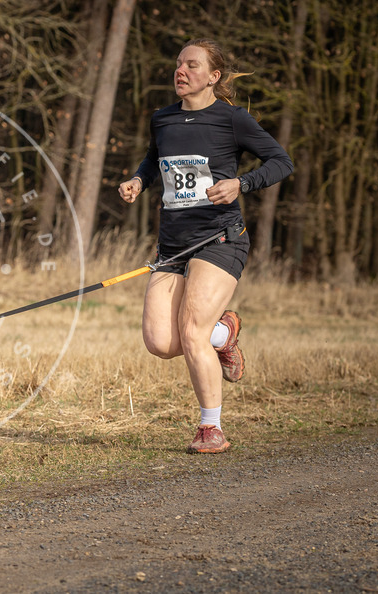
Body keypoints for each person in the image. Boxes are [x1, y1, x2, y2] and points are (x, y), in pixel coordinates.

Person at [118, 38, 293, 454]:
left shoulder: (232, 120)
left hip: (220, 238)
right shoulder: (162, 118)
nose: (180, 71)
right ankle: (224, 333)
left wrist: (241, 183)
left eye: (191, 66)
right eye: (178, 64)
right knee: (161, 343)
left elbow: (281, 161)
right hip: (171, 245)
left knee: (191, 331)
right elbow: (152, 158)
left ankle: (210, 427)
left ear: (213, 77)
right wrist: (139, 180)